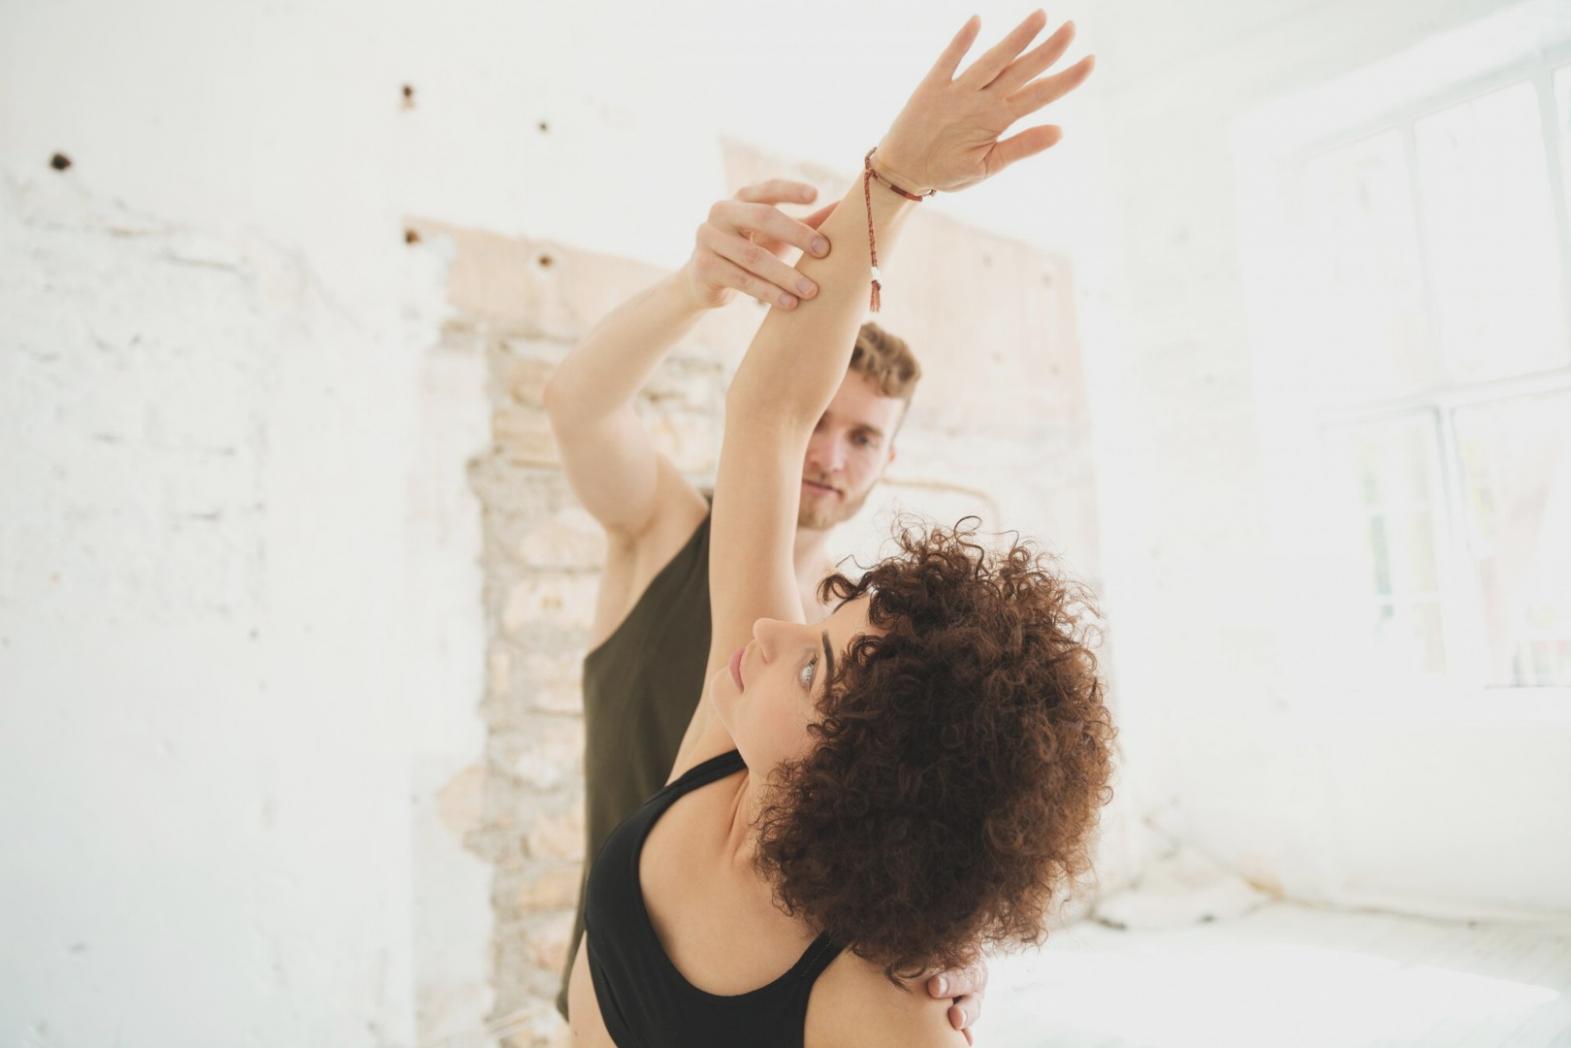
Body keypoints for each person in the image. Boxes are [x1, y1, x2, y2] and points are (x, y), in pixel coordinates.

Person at [562, 10, 1113, 1047]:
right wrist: (894, 179)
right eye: (825, 626)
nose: (769, 636)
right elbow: (766, 414)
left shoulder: (876, 1008)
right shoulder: (742, 744)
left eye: (812, 669)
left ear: (860, 784)